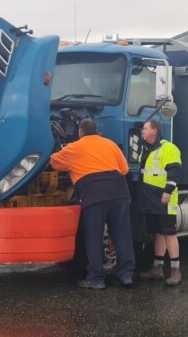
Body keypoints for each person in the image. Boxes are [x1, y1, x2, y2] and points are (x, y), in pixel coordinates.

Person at [50, 118, 135, 289]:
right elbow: (125, 169)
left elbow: (54, 163)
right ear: (97, 131)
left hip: (94, 195)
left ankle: (96, 279)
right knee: (122, 236)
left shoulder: (74, 147)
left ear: (80, 132)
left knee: (94, 238)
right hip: (119, 193)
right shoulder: (110, 144)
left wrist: (59, 151)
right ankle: (126, 275)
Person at [137, 120, 183, 286]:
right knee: (158, 233)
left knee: (169, 233)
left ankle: (176, 271)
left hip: (164, 198)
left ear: (154, 131)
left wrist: (167, 192)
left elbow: (175, 172)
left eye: (145, 128)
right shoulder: (148, 149)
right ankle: (157, 269)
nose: (142, 131)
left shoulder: (168, 148)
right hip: (151, 199)